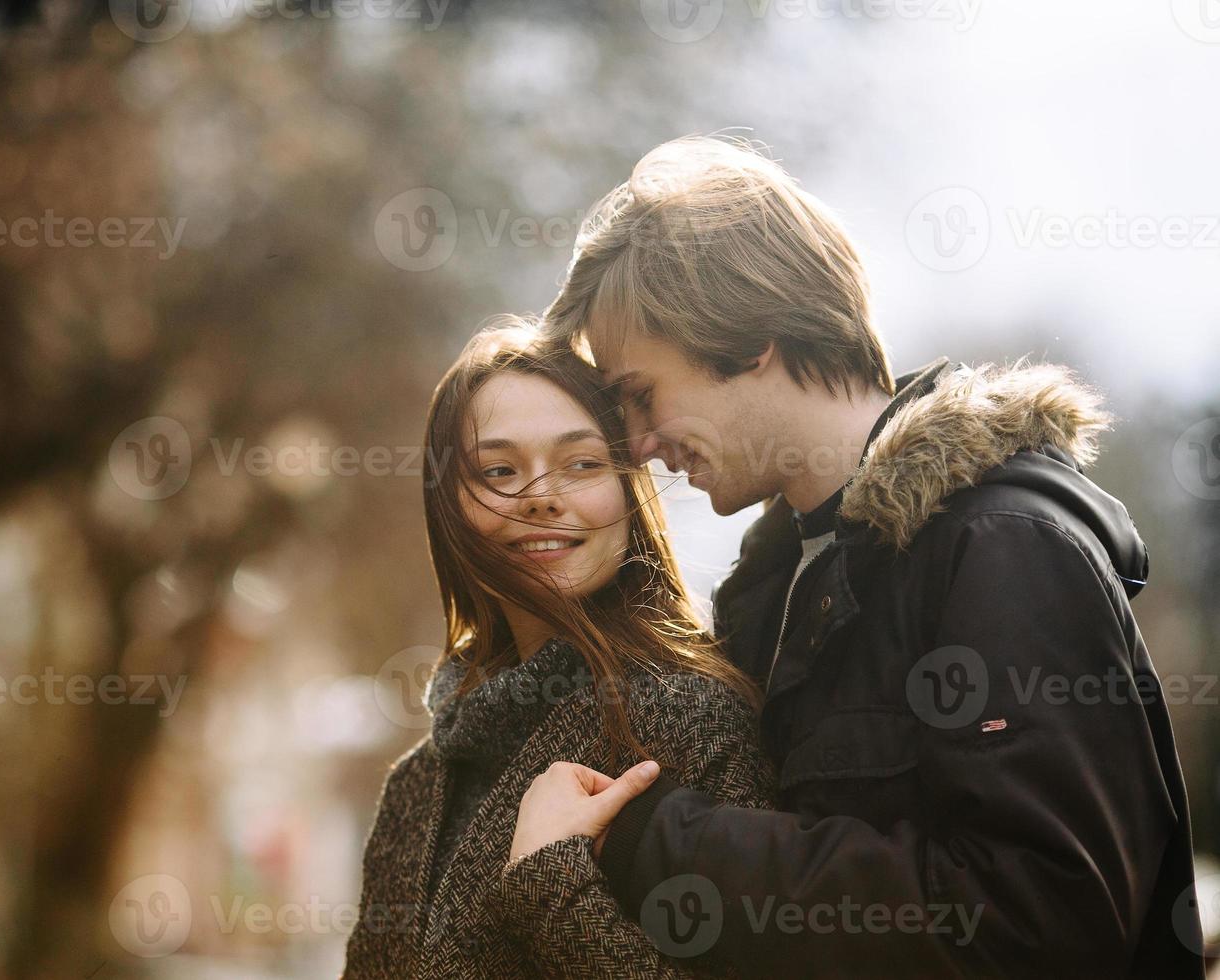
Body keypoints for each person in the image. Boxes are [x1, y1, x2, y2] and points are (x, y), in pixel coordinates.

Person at [511, 135, 1204, 979]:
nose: (642, 444)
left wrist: (658, 843)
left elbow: (1042, 925)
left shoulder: (1002, 548)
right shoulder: (765, 600)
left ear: (747, 335)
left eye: (640, 395)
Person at [342, 318, 776, 978]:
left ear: (628, 492)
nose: (541, 497)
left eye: (581, 464)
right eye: (498, 469)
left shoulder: (695, 721)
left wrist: (551, 886)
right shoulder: (416, 785)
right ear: (450, 507)